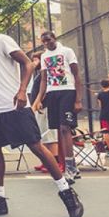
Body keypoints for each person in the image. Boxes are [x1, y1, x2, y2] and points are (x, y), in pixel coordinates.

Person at [0, 8, 83, 217]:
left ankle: (67, 193)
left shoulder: (2, 40)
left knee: (36, 148)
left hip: (15, 107)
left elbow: (28, 63)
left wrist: (22, 91)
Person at [31, 31, 84, 181]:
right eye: (43, 42)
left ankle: (71, 168)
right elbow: (43, 80)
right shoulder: (45, 56)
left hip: (67, 92)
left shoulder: (67, 51)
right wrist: (39, 99)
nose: (46, 43)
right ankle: (71, 166)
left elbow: (76, 75)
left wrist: (78, 99)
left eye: (48, 40)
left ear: (54, 38)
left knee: (65, 128)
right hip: (52, 94)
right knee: (59, 131)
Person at [29, 52, 58, 173]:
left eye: (37, 59)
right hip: (39, 108)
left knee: (50, 136)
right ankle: (46, 161)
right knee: (42, 136)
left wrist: (40, 101)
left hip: (45, 107)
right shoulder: (39, 73)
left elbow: (46, 88)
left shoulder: (46, 73)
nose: (34, 62)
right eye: (33, 59)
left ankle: (55, 163)